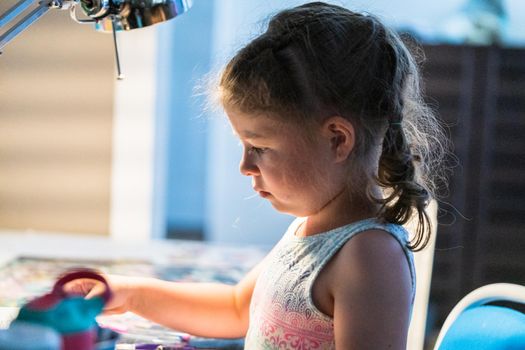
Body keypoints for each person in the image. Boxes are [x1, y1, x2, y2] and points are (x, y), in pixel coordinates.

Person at [67, 2, 448, 349]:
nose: (245, 166)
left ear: (337, 140)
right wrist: (128, 293)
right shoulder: (311, 227)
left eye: (260, 148)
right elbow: (237, 309)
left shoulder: (370, 256)